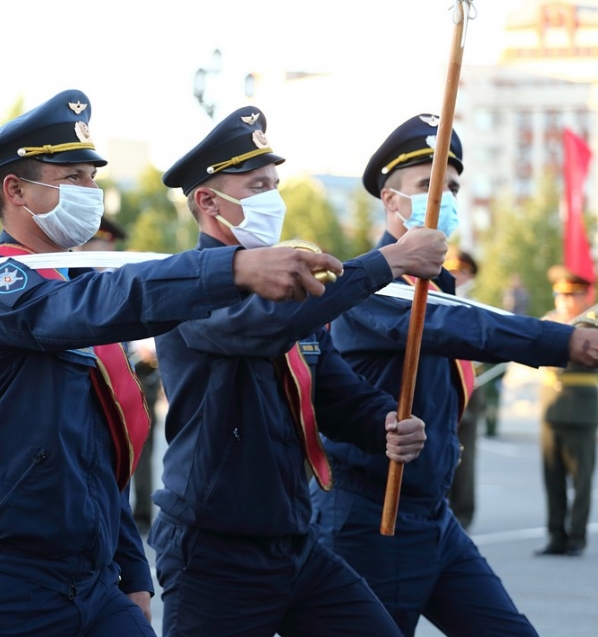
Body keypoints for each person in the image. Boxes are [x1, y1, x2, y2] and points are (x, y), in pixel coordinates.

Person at [0, 89, 346, 636]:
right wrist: (231, 269)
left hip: (88, 582)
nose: (92, 192)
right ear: (15, 190)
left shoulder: (75, 285)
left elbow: (96, 455)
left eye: (93, 178)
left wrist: (131, 569)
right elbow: (94, 307)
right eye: (73, 178)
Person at [147, 106, 446, 637]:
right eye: (257, 185)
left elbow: (335, 392)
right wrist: (387, 262)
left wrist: (384, 422)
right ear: (209, 202)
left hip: (294, 540)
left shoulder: (287, 282)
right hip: (216, 551)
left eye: (275, 184)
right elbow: (267, 327)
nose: (273, 198)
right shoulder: (187, 285)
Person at [312, 113, 598, 636]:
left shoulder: (437, 287)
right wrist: (567, 341)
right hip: (372, 517)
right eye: (428, 186)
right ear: (391, 202)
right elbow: (464, 328)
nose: (444, 198)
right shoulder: (373, 285)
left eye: (453, 188)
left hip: (431, 516)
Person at [79, 218, 162, 529]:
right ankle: (104, 514)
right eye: (90, 244)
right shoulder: (77, 280)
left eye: (100, 245)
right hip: (94, 376)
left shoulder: (125, 278)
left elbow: (150, 324)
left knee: (138, 446)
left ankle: (138, 516)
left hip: (136, 374)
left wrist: (147, 349)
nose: (95, 250)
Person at [537, 265, 598, 557]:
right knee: (552, 479)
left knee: (582, 481)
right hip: (552, 410)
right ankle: (555, 536)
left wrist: (570, 332)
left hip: (582, 412)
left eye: (569, 295)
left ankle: (577, 536)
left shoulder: (591, 325)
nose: (562, 300)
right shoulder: (550, 321)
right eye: (558, 294)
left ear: (584, 297)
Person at [445, 247, 481, 530]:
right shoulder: (433, 298)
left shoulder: (474, 308)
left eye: (460, 273)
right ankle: (441, 511)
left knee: (463, 456)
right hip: (440, 383)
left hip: (467, 385)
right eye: (451, 271)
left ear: (470, 276)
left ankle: (462, 516)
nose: (455, 277)